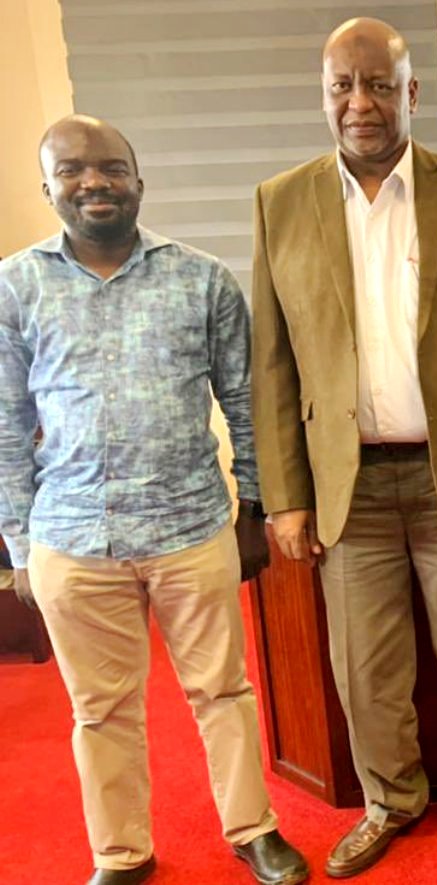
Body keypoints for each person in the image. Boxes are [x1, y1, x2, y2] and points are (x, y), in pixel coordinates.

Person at [249, 17, 437, 877]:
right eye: (342, 86)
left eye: (378, 84)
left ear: (411, 93)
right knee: (365, 667)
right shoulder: (282, 202)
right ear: (324, 97)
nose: (360, 103)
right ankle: (392, 799)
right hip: (348, 484)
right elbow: (273, 362)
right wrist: (288, 494)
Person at [0, 116, 307, 885]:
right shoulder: (14, 286)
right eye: (71, 170)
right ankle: (122, 852)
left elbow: (244, 400)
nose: (93, 182)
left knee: (223, 690)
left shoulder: (200, 278)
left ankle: (253, 828)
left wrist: (255, 510)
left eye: (110, 167)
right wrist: (17, 546)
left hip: (192, 526)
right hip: (70, 536)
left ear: (139, 179)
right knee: (101, 709)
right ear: (48, 188)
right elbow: (5, 422)